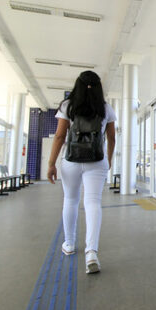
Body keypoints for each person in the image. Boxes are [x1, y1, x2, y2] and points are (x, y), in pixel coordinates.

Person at [47, 70, 116, 274]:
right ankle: (91, 253)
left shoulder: (67, 106)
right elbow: (112, 138)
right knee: (93, 203)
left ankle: (69, 244)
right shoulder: (105, 108)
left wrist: (51, 163)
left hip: (71, 161)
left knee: (70, 200)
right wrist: (108, 160)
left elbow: (60, 136)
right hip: (97, 160)